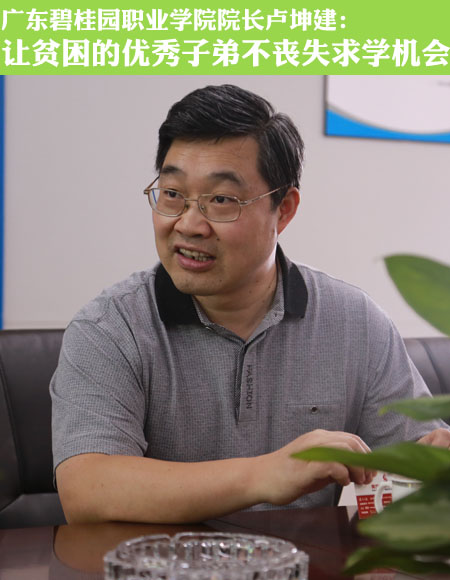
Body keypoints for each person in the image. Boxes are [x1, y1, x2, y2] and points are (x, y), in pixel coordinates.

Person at [51, 84, 450, 525]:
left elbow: (413, 463)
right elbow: (86, 489)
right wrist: (265, 474)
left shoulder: (356, 322)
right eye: (172, 194)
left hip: (309, 559)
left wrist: (431, 463)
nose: (189, 224)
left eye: (221, 200)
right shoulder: (110, 328)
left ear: (285, 209)